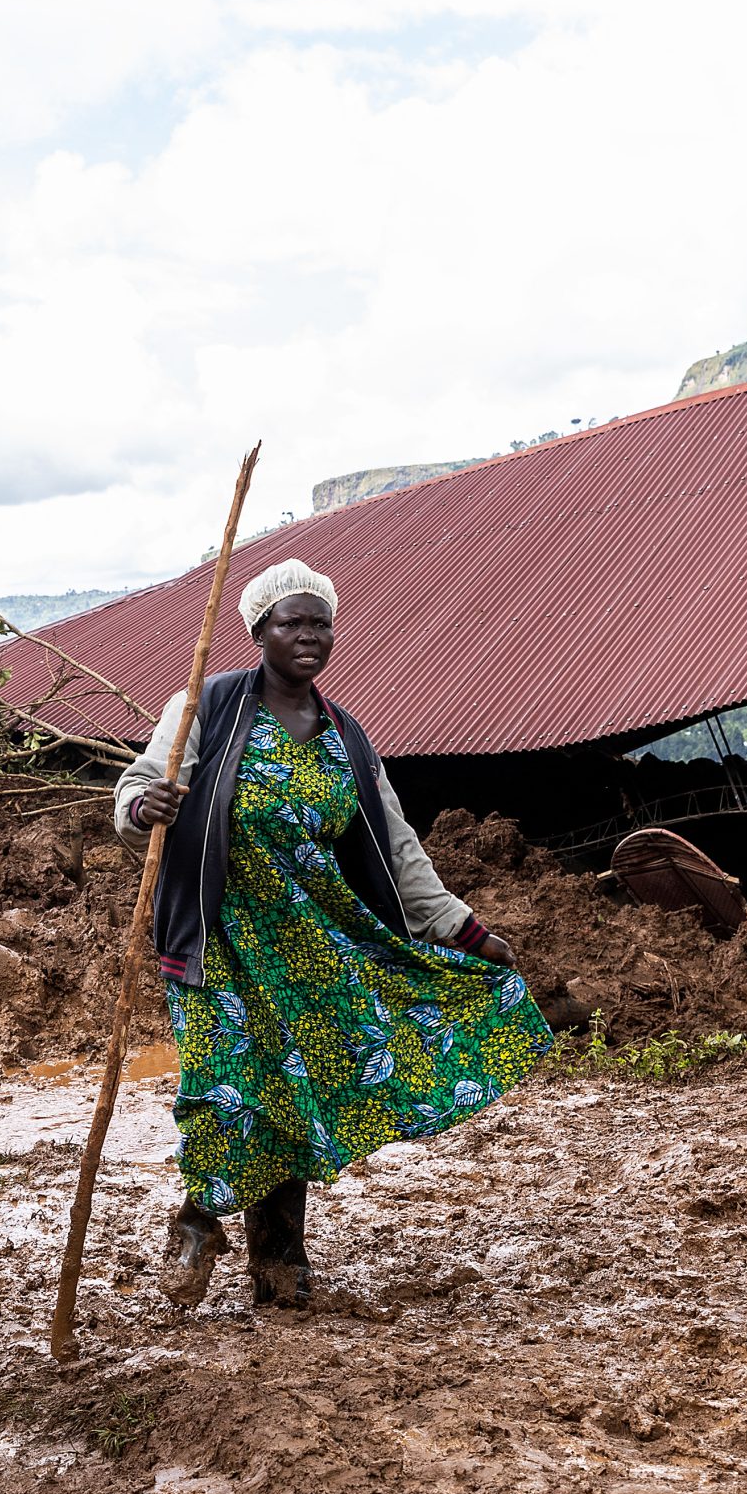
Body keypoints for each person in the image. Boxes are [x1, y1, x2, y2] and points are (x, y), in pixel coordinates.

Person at [116, 559, 551, 1310]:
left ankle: (281, 1263)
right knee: (224, 1083)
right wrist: (141, 809)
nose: (309, 636)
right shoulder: (206, 708)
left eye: (321, 622)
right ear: (258, 632)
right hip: (219, 939)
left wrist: (464, 928)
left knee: (290, 1092)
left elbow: (397, 843)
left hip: (314, 944)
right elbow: (136, 789)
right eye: (292, 622)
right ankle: (197, 1217)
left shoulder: (345, 737)